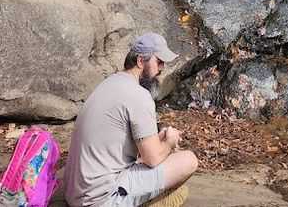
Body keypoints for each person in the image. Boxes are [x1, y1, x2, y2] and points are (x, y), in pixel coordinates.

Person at [64, 32, 198, 207]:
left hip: (77, 193)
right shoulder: (139, 95)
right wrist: (170, 142)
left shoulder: (108, 83)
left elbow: (120, 146)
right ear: (141, 61)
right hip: (102, 198)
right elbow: (153, 159)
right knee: (188, 161)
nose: (162, 68)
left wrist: (157, 141)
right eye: (159, 61)